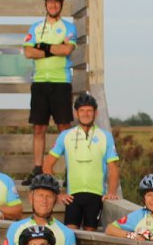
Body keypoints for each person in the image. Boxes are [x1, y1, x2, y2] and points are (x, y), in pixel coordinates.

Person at [22, 0, 78, 171]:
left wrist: (43, 46)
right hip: (40, 82)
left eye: (56, 2)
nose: (53, 5)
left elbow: (67, 50)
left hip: (61, 82)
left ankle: (70, 169)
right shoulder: (36, 27)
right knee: (39, 128)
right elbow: (28, 52)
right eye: (50, 2)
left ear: (61, 4)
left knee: (64, 127)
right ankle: (38, 168)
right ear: (45, 4)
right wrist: (54, 48)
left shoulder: (69, 27)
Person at [45, 92, 119, 230]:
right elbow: (47, 165)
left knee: (90, 234)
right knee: (70, 234)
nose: (86, 114)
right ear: (76, 113)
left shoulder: (105, 136)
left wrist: (112, 192)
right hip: (73, 196)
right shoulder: (66, 135)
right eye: (82, 111)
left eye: (89, 110)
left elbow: (113, 168)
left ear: (95, 113)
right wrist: (58, 193)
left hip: (96, 195)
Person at [0, 173, 78, 245]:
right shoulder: (15, 229)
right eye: (40, 195)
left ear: (55, 200)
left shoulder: (67, 234)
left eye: (49, 196)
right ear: (31, 198)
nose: (44, 201)